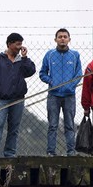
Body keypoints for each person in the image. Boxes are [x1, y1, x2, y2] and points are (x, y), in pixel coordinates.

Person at [0, 32, 36, 157]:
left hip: (18, 99)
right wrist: (0, 91)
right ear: (9, 44)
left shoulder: (22, 60)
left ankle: (10, 153)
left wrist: (25, 58)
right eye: (17, 44)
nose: (20, 47)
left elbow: (31, 71)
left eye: (21, 44)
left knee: (14, 127)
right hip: (1, 99)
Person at [39, 28, 82, 156]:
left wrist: (71, 86)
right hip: (53, 95)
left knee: (69, 124)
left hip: (69, 96)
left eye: (65, 36)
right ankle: (51, 152)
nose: (62, 38)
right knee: (52, 125)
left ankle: (71, 151)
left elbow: (79, 74)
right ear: (55, 39)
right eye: (60, 36)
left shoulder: (75, 55)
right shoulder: (49, 55)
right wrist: (51, 81)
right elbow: (42, 73)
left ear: (69, 39)